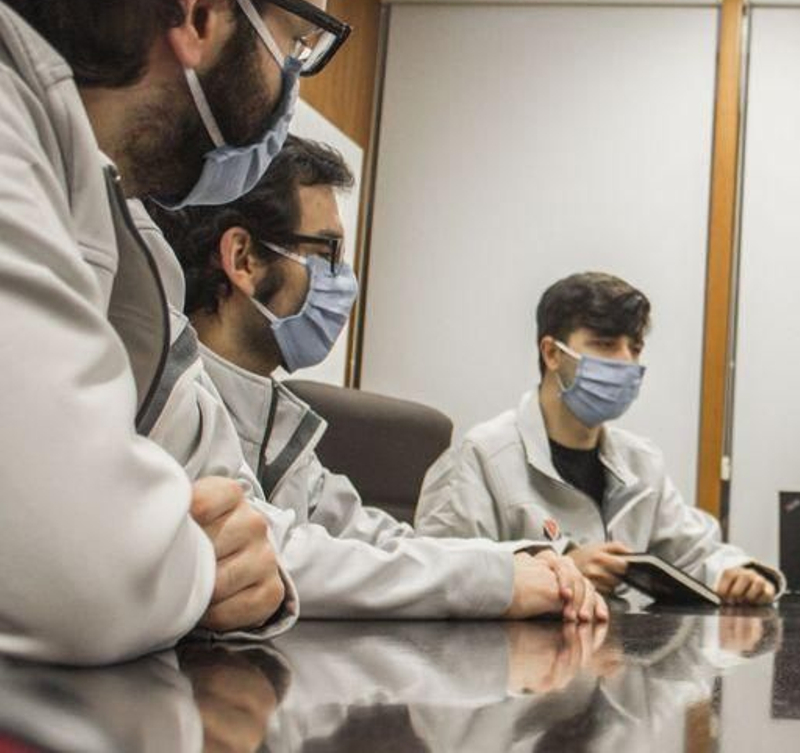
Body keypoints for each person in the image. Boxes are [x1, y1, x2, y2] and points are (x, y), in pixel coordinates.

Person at [0, 0, 343, 664]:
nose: (291, 83)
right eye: (295, 42)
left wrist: (174, 543)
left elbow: (235, 521)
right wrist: (192, 560)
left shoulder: (106, 212)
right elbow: (88, 577)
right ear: (203, 11)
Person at [154, 136, 605, 623]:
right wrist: (493, 582)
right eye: (328, 252)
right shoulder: (162, 392)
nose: (343, 280)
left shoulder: (271, 415)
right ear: (244, 259)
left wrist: (521, 560)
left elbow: (368, 539)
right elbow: (272, 555)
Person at [415, 272, 784, 606]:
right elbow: (440, 579)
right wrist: (556, 572)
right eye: (606, 345)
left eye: (635, 348)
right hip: (510, 658)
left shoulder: (640, 462)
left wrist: (736, 573)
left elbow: (695, 553)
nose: (626, 362)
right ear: (552, 353)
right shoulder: (481, 455)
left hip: (612, 651)